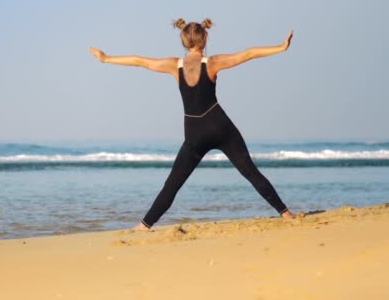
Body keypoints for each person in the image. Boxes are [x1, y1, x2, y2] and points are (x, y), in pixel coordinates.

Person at [89, 17, 297, 231]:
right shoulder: (213, 62)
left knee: (172, 184)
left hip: (195, 134)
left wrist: (106, 58)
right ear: (205, 38)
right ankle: (286, 213)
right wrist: (281, 47)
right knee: (250, 172)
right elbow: (249, 53)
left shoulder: (173, 65)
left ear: (183, 41)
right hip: (221, 126)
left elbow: (140, 61)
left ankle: (144, 226)